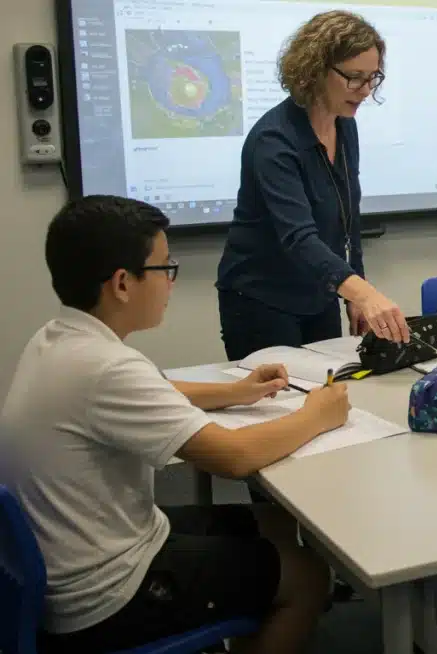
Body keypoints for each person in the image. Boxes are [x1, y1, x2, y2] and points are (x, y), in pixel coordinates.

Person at [0, 196, 347, 654]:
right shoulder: (108, 367)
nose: (172, 282)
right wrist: (316, 414)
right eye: (166, 268)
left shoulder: (59, 339)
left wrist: (237, 391)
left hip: (67, 564)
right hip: (107, 596)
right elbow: (235, 457)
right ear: (123, 283)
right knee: (308, 576)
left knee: (267, 523)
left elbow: (154, 392)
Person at [216, 10, 410, 362]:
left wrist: (354, 289)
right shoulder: (274, 140)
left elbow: (349, 219)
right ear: (315, 69)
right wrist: (363, 292)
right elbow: (298, 237)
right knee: (280, 402)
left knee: (329, 390)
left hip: (319, 290)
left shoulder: (344, 126)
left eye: (373, 78)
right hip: (262, 299)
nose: (366, 91)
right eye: (354, 78)